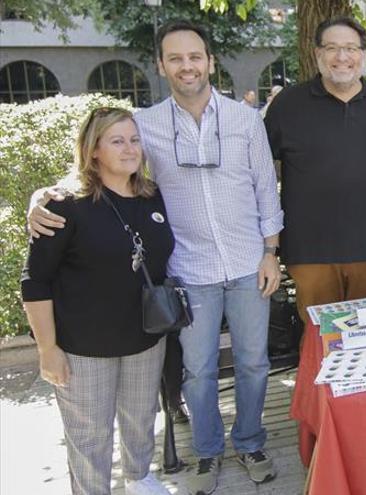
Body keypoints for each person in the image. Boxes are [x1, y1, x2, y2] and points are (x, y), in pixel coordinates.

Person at [29, 20, 284, 495]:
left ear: (209, 61)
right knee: (198, 370)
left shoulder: (245, 120)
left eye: (195, 57)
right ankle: (208, 452)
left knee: (253, 362)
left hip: (250, 264)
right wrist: (42, 198)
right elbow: (97, 156)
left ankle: (250, 441)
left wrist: (271, 252)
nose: (187, 66)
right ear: (162, 65)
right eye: (176, 58)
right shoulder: (143, 126)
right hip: (189, 273)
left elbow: (265, 190)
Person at [21, 107, 174, 495]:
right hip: (83, 349)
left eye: (134, 140)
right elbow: (35, 282)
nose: (129, 149)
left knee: (141, 422)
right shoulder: (63, 206)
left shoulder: (151, 196)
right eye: (117, 141)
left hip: (144, 338)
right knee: (90, 438)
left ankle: (140, 481)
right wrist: (47, 349)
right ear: (93, 151)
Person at [265, 17, 366, 321]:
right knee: (320, 339)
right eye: (332, 48)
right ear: (317, 54)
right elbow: (262, 173)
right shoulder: (289, 104)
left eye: (351, 48)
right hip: (310, 251)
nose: (342, 57)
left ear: (363, 55)